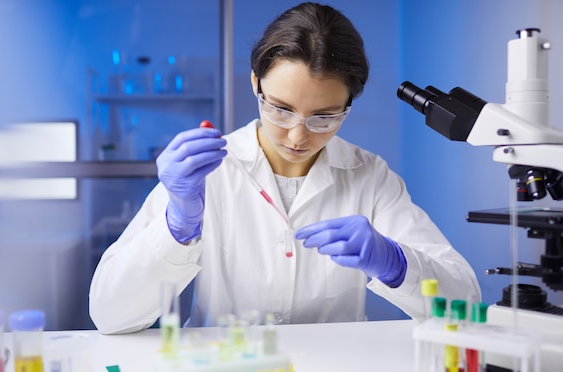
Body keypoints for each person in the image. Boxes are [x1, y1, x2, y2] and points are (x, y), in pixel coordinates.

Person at [89, 2, 480, 334]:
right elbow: (109, 315)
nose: (297, 136)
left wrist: (395, 263)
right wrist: (178, 225)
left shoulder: (370, 176)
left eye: (324, 117)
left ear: (349, 104)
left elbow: (466, 302)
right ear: (256, 83)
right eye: (280, 108)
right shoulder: (210, 173)